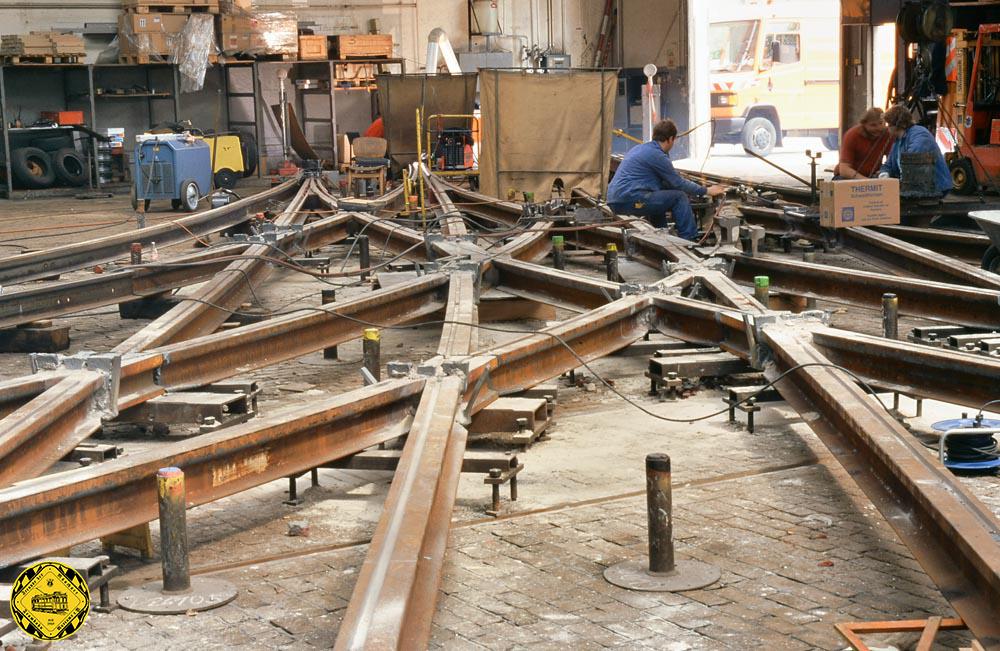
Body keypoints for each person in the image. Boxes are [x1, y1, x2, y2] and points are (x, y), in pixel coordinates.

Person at [607, 119, 725, 240]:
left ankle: (661, 236)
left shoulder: (640, 149)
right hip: (629, 199)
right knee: (679, 197)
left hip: (615, 199)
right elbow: (678, 183)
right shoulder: (657, 155)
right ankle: (690, 239)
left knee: (659, 199)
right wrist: (706, 190)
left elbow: (667, 182)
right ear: (671, 139)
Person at [878, 104, 952, 195]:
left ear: (900, 124)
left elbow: (912, 162)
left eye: (889, 124)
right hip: (915, 187)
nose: (887, 128)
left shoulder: (920, 134)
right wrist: (884, 174)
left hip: (935, 188)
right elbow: (888, 165)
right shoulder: (898, 141)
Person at [834, 108, 892, 179]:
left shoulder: (887, 134)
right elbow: (844, 170)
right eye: (873, 125)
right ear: (863, 124)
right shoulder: (852, 135)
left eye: (881, 123)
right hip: (849, 177)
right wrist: (867, 183)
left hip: (873, 176)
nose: (879, 128)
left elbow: (891, 161)